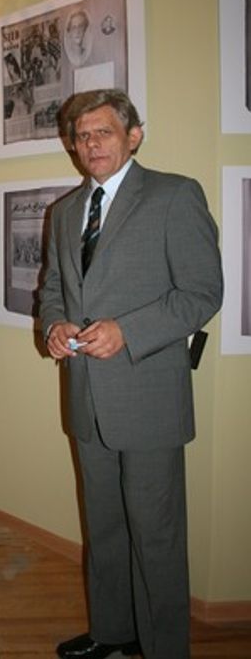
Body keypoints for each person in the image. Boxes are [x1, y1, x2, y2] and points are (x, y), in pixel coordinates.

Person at [39, 89, 223, 659]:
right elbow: (52, 289)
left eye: (104, 132)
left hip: (148, 400)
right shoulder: (64, 212)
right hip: (87, 399)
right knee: (105, 529)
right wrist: (53, 325)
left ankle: (164, 648)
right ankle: (112, 631)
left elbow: (202, 292)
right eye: (82, 135)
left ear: (133, 136)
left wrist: (128, 331)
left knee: (156, 537)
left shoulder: (174, 195)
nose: (90, 144)